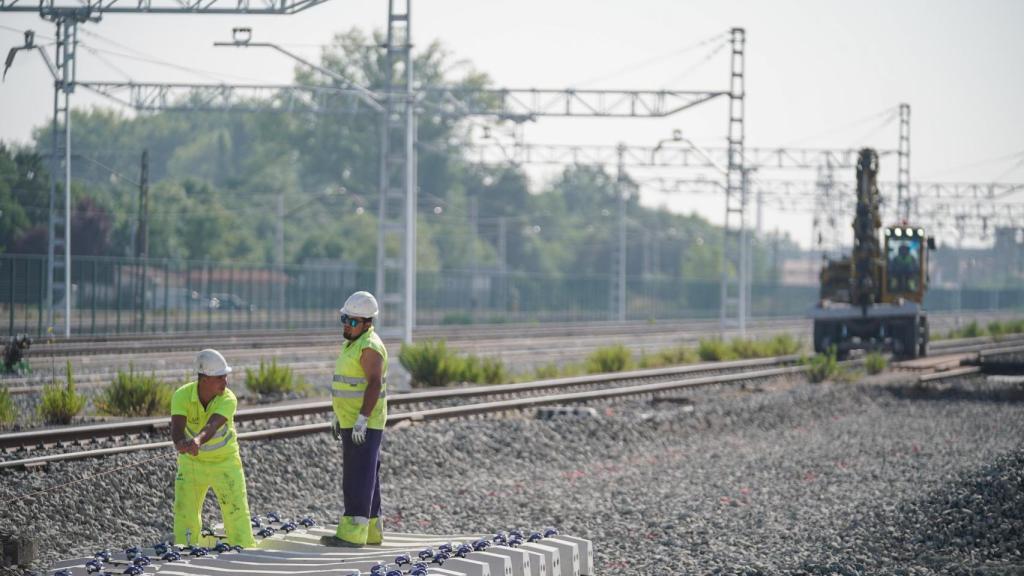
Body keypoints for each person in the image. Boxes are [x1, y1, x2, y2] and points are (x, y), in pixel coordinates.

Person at [320, 290, 388, 548]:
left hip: (363, 423)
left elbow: (373, 384)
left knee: (356, 477)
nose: (346, 326)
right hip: (351, 420)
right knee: (367, 475)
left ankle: (351, 534)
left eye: (352, 322)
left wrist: (362, 418)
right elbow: (347, 384)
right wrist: (338, 416)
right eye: (344, 319)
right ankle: (371, 531)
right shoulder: (353, 343)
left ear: (368, 323)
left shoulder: (370, 347)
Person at [170, 348, 255, 549]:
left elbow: (212, 426)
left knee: (237, 512)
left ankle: (244, 549)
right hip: (192, 463)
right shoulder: (181, 395)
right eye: (220, 377)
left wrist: (196, 442)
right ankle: (184, 548)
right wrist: (180, 443)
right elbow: (176, 428)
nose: (225, 382)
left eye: (225, 377)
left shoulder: (228, 398)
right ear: (204, 379)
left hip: (225, 463)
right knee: (185, 512)